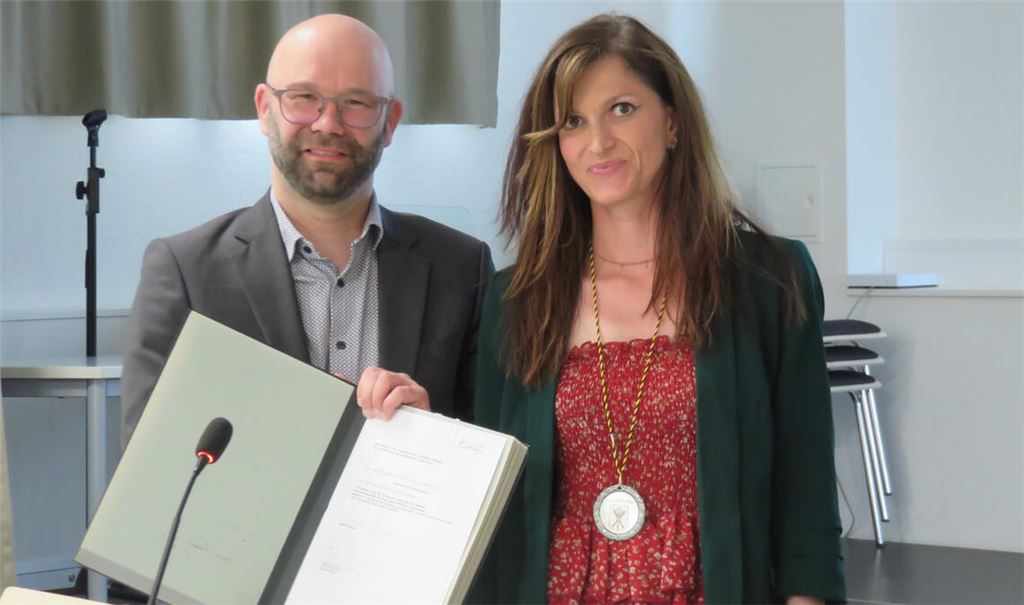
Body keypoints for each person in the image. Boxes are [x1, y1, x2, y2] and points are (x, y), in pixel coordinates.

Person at [469, 14, 845, 605]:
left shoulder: (770, 280)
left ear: (672, 122)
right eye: (573, 121)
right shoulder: (515, 300)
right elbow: (492, 507)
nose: (598, 142)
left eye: (622, 108)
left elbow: (807, 493)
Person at [121, 14, 493, 444]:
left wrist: (432, 434)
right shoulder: (184, 271)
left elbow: (496, 448)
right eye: (303, 97)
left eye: (356, 102)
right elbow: (150, 460)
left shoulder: (464, 268)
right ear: (265, 109)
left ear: (390, 121)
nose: (328, 124)